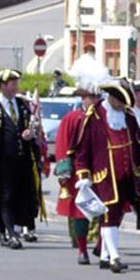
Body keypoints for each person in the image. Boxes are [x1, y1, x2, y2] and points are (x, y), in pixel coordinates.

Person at [73, 80, 140, 273]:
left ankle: (104, 256)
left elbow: (138, 147)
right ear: (111, 97)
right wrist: (83, 175)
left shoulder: (127, 116)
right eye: (119, 101)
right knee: (109, 214)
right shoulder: (94, 116)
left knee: (116, 215)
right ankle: (114, 258)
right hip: (104, 174)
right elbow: (83, 150)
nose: (121, 105)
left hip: (126, 175)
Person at [0, 69, 42, 249]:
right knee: (5, 196)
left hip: (21, 159)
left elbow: (33, 127)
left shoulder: (23, 105)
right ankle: (10, 232)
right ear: (2, 86)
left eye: (16, 83)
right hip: (1, 160)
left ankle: (11, 228)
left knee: (19, 195)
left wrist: (30, 133)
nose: (16, 87)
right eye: (12, 83)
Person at [53, 70, 107, 264]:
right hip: (79, 170)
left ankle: (102, 246)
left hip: (103, 169)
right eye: (89, 97)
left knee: (107, 209)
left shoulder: (106, 118)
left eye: (96, 96)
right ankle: (82, 249)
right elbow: (62, 145)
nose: (94, 100)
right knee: (80, 212)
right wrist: (64, 170)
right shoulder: (73, 118)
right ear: (83, 99)